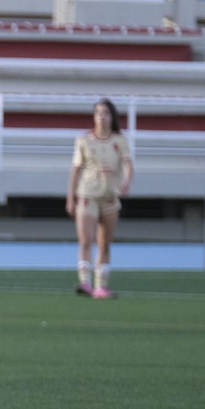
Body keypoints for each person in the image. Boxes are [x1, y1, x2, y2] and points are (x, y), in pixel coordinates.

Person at [66, 98, 133, 299]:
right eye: (98, 113)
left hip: (110, 198)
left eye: (105, 113)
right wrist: (70, 197)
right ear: (94, 116)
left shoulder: (120, 141)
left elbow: (128, 164)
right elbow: (75, 170)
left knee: (104, 243)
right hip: (88, 195)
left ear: (112, 117)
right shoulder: (84, 140)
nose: (102, 117)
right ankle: (85, 282)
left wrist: (127, 181)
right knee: (86, 240)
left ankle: (101, 286)